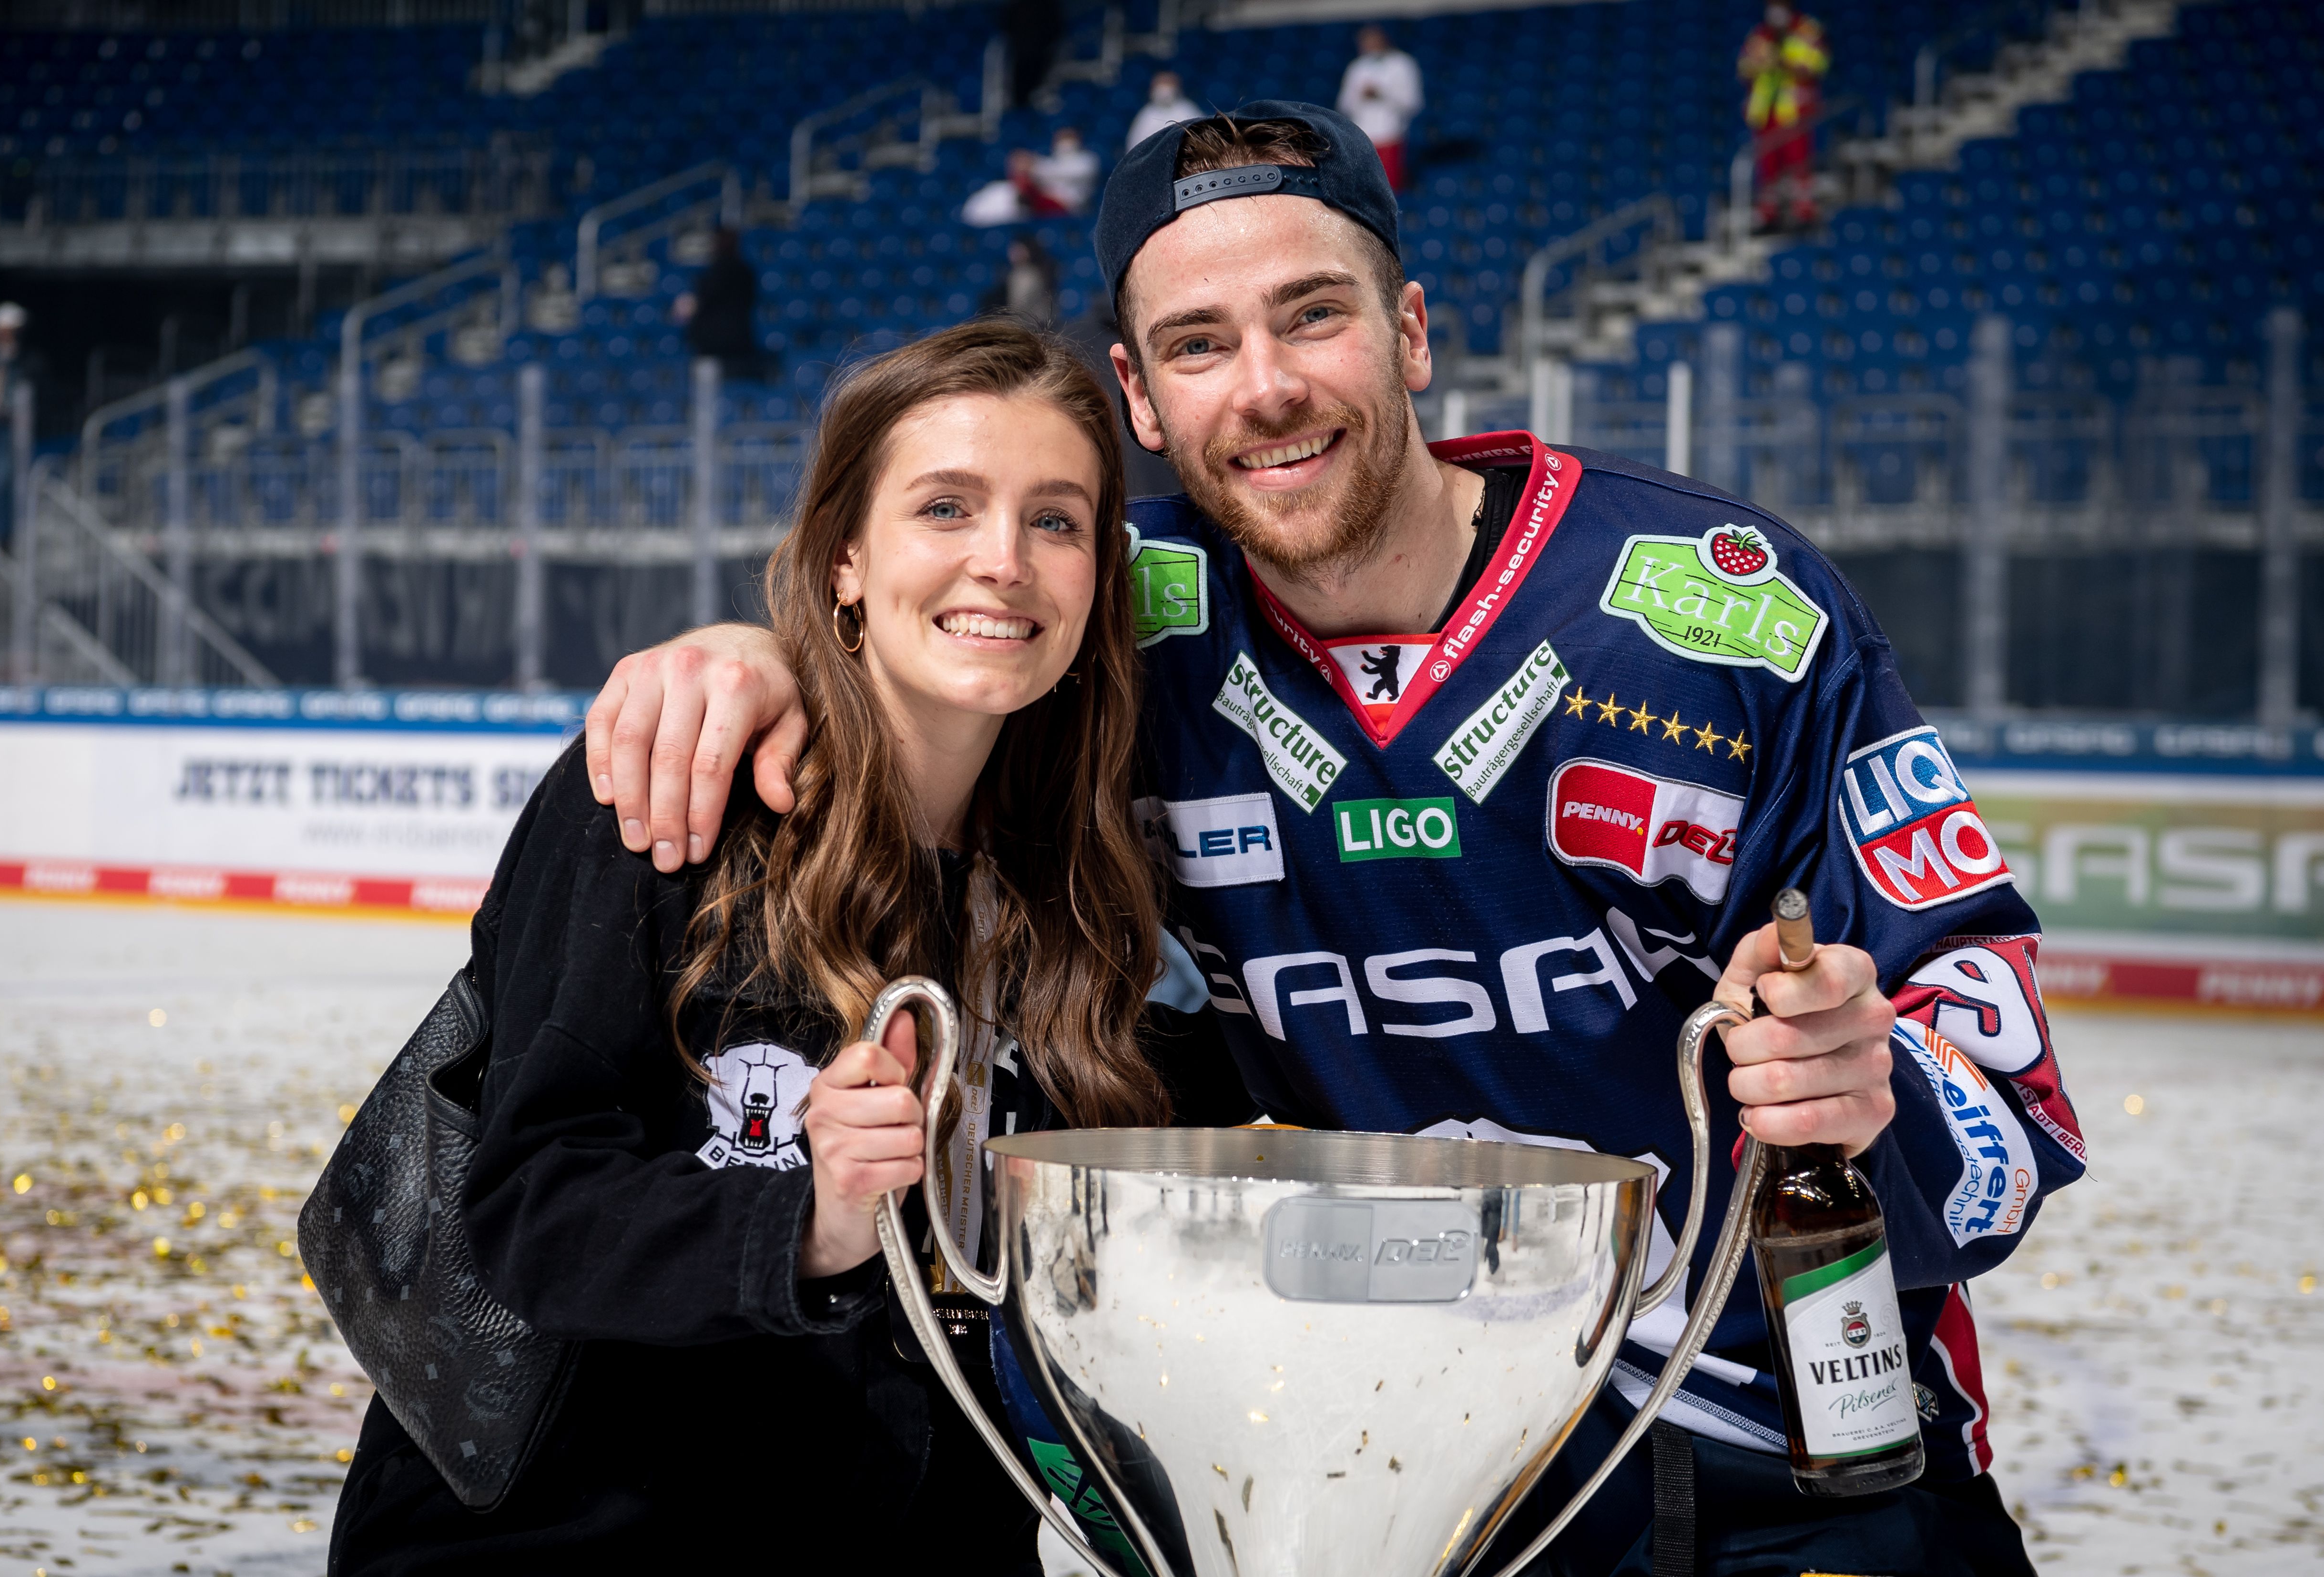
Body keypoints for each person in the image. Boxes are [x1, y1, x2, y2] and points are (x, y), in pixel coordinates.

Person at [580, 105, 2081, 1576]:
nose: (1266, 387)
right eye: (1198, 345)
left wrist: (1872, 1083)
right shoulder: (1120, 615)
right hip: (1398, 1454)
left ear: (1410, 333)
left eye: (1313, 317)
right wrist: (758, 653)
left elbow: (2018, 1114)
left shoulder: (1725, 613)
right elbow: (923, 633)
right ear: (1140, 398)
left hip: (1786, 1447)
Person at [326, 320, 1246, 1575]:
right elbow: (531, 1212)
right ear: (844, 560)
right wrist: (807, 1220)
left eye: (1055, 521)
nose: (1003, 563)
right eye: (945, 507)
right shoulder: (673, 797)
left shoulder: (1081, 889)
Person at [1740, 1, 1829, 233]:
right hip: (1766, 111)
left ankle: (1804, 212)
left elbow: (1817, 65)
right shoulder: (1760, 34)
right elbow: (1744, 69)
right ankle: (1769, 215)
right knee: (1767, 168)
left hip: (1794, 110)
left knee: (1799, 164)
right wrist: (1760, 64)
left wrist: (1784, 62)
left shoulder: (1807, 30)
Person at [0, 303, 44, 550]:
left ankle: (8, 535)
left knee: (8, 480)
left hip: (14, 431)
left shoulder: (28, 362)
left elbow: (36, 390)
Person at [673, 227, 774, 381]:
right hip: (726, 345)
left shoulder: (728, 273)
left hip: (723, 345)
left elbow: (705, 301)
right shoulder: (740, 272)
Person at [1337, 24, 1422, 190]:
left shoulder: (1402, 64)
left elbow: (1412, 102)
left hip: (1390, 132)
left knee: (1389, 188)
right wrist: (1362, 96)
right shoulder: (1357, 68)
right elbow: (1345, 104)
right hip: (1363, 135)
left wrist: (1382, 94)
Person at [982, 233, 1060, 327]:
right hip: (1037, 324)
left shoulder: (1025, 274)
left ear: (1028, 251)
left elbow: (1018, 307)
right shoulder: (1029, 271)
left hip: (1033, 327)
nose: (1012, 252)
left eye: (1017, 249)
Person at [1127, 69, 1201, 151]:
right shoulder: (1146, 115)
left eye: (1168, 84)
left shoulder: (1188, 109)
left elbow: (1200, 137)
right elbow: (1134, 146)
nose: (1164, 91)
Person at [1031, 125, 1101, 213]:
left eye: (1069, 138)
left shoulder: (1088, 159)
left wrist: (1047, 173)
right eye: (1061, 139)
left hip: (1075, 205)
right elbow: (1035, 171)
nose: (1065, 143)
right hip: (1048, 202)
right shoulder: (1052, 162)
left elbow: (1077, 174)